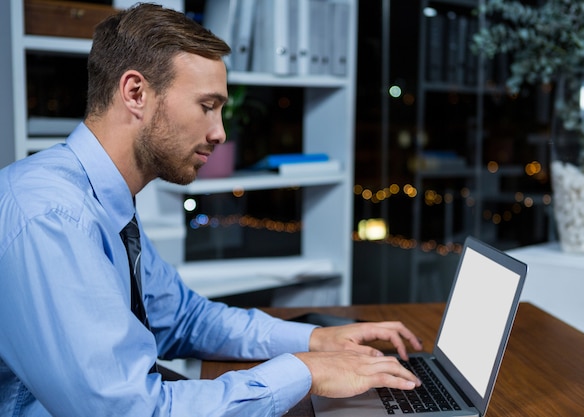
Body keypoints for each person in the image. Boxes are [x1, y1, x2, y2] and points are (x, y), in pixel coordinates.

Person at [0, 3, 423, 416]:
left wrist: (316, 340)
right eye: (207, 106)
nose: (219, 132)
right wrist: (304, 372)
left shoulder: (100, 199)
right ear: (135, 93)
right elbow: (130, 411)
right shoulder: (54, 217)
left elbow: (184, 319)